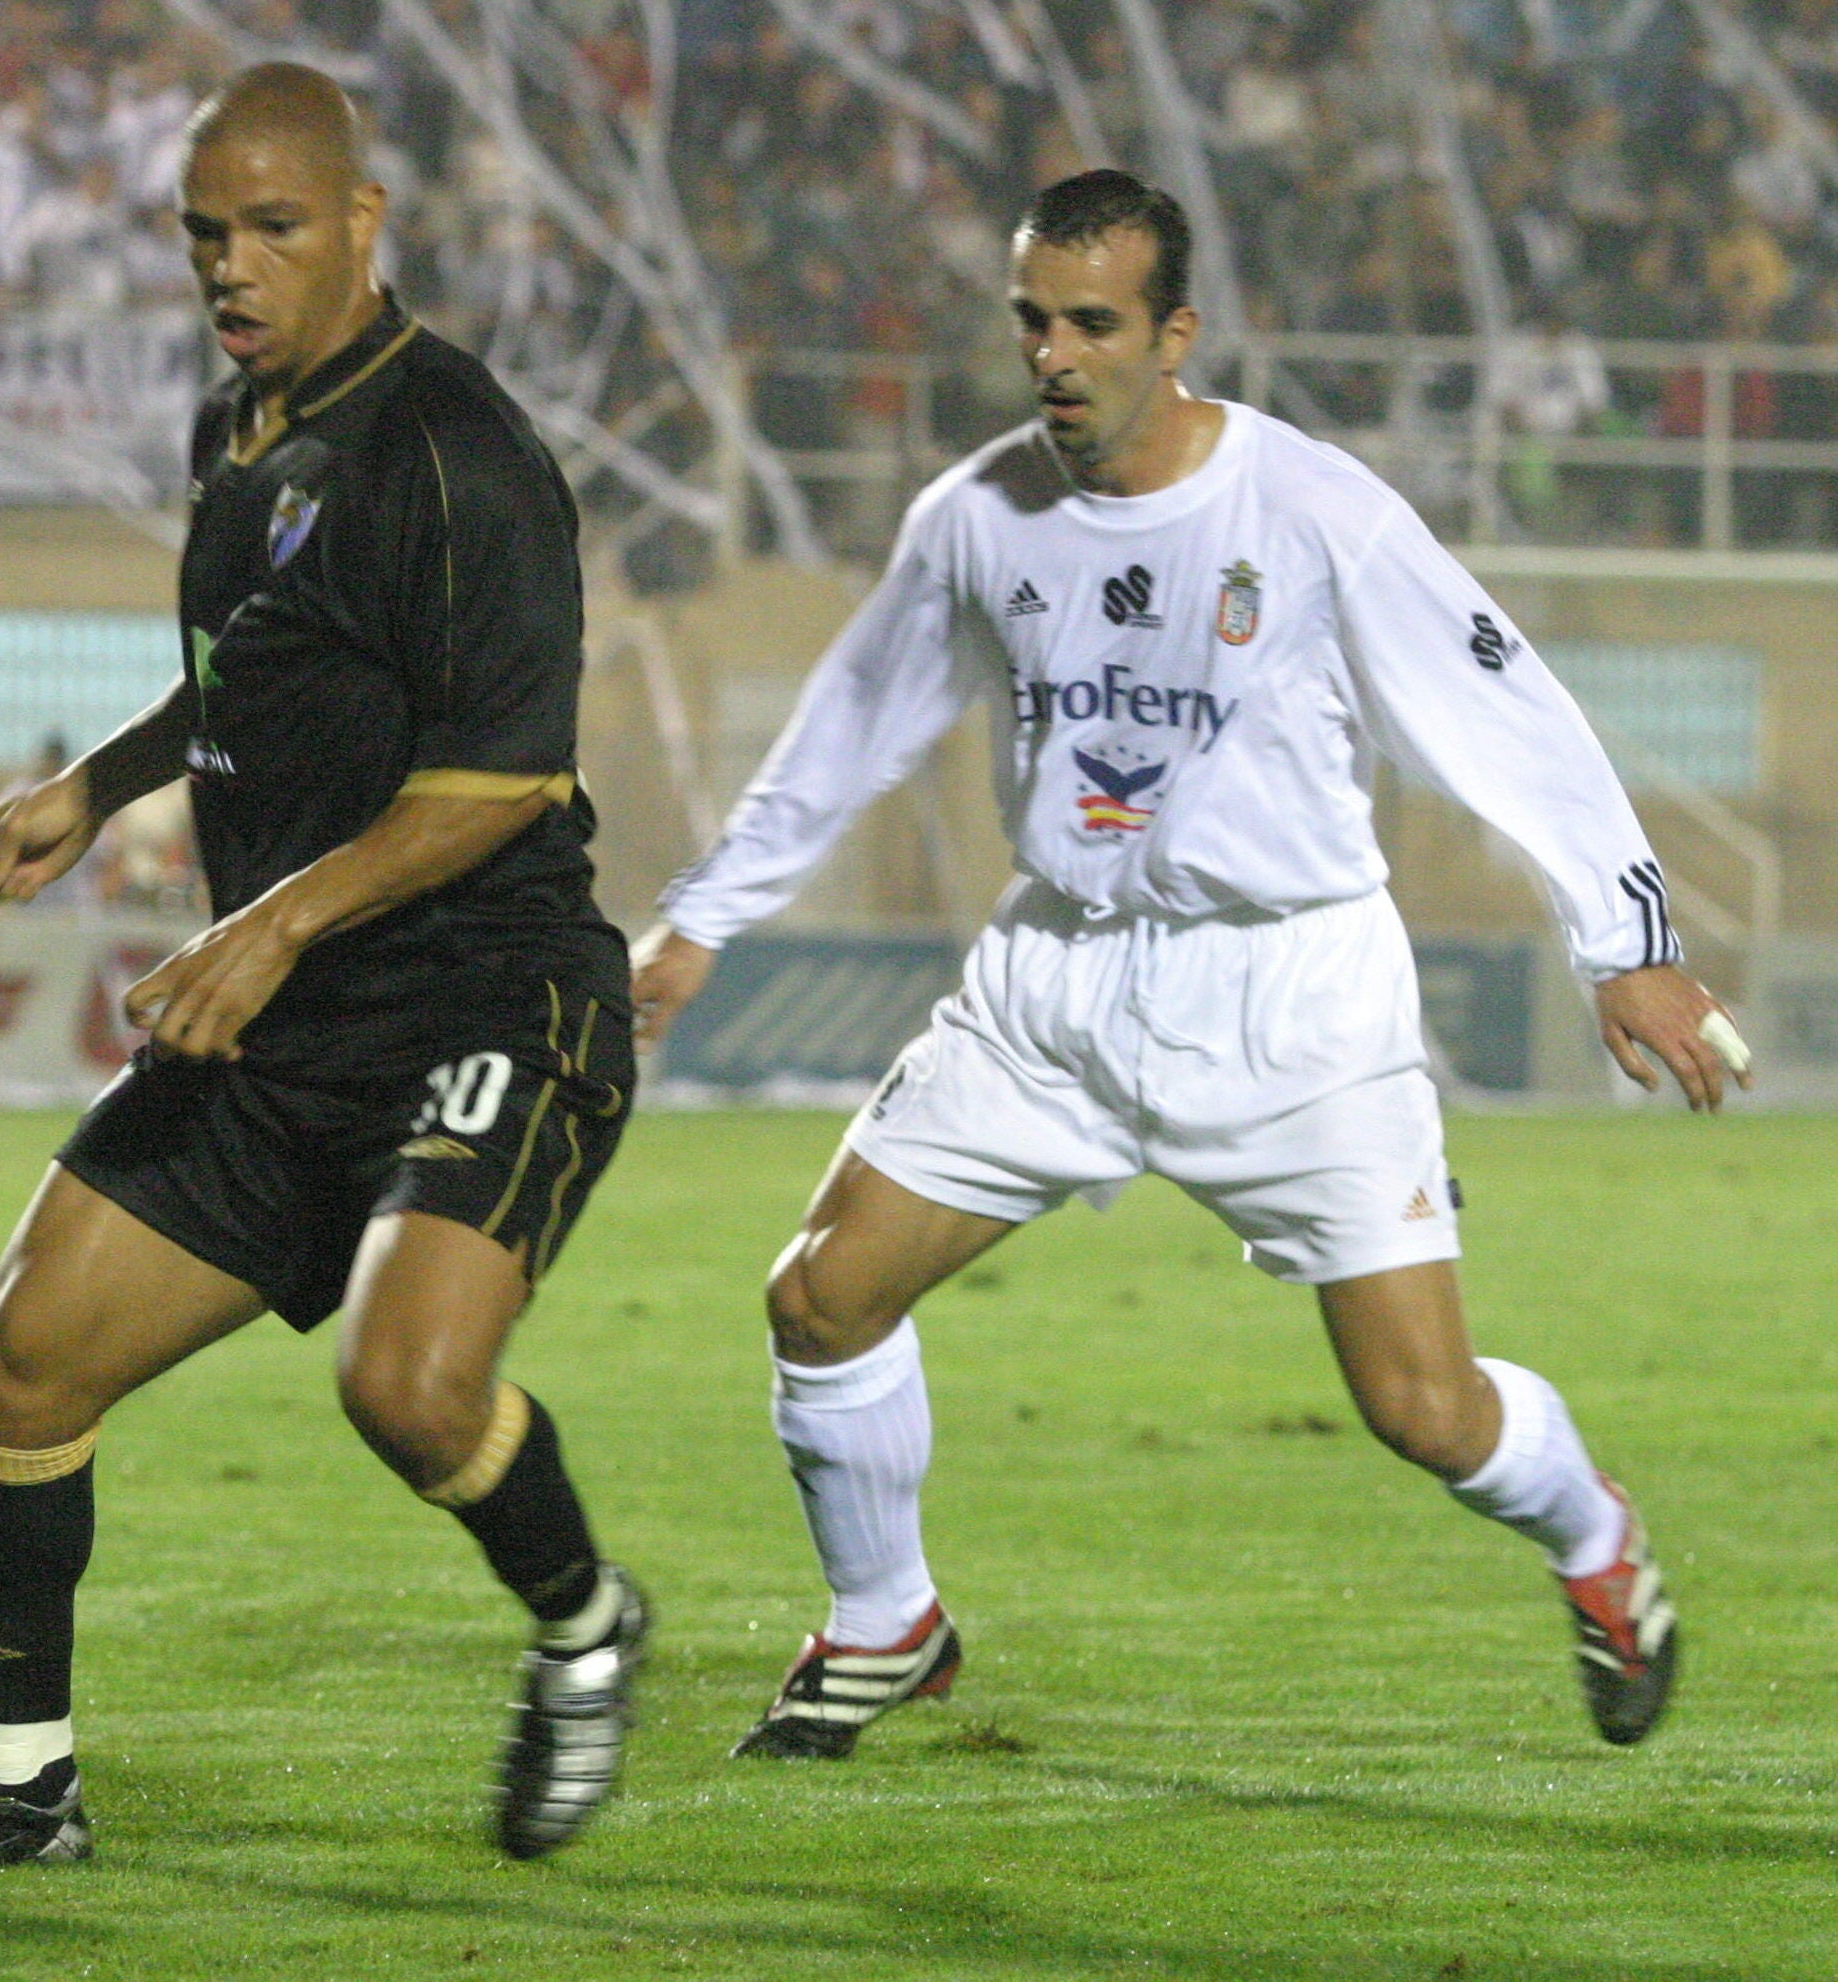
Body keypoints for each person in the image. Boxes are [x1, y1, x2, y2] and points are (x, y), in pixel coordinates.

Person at [633, 170, 1736, 1766]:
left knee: (1424, 1409)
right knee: (819, 1292)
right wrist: (707, 914)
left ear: (1176, 332)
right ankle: (885, 1619)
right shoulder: (977, 516)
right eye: (1032, 320)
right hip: (1053, 983)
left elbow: (1501, 710)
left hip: (1289, 995)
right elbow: (850, 719)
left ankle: (1592, 1538)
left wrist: (1626, 943)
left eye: (1092, 323)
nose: (1054, 355)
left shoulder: (1311, 509)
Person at [0, 63, 645, 1868]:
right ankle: (27, 1793)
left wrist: (268, 919)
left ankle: (584, 1625)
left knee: (406, 1390)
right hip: (282, 1023)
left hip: (488, 993)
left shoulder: (459, 456)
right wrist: (97, 783)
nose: (232, 268)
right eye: (204, 234)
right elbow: (251, 669)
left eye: (273, 228)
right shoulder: (233, 435)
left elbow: (504, 777)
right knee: (15, 1365)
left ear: (363, 224)